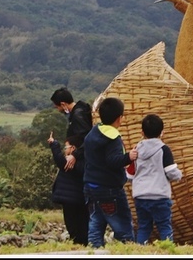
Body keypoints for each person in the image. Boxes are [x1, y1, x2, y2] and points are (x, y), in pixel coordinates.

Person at [83, 97, 138, 247]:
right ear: (119, 118)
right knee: (122, 224)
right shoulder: (113, 137)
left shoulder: (93, 133)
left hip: (90, 186)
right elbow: (113, 161)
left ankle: (94, 249)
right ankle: (129, 249)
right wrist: (129, 157)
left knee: (96, 220)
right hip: (109, 189)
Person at [128, 113, 183, 244]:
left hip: (140, 196)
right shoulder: (164, 150)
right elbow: (171, 173)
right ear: (162, 132)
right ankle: (167, 251)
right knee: (164, 227)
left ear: (142, 132)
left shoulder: (135, 151)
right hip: (160, 196)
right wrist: (179, 175)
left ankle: (139, 252)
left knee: (144, 228)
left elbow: (129, 176)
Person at [47, 131, 88, 246]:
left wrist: (54, 144)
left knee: (73, 225)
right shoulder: (85, 161)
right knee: (82, 224)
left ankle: (78, 244)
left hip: (71, 200)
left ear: (73, 148)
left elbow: (60, 161)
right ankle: (82, 244)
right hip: (80, 199)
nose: (65, 150)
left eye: (66, 147)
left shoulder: (72, 162)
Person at [50, 88, 93, 171]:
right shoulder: (81, 110)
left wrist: (75, 155)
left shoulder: (78, 116)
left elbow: (87, 138)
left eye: (57, 107)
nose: (58, 110)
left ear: (63, 104)